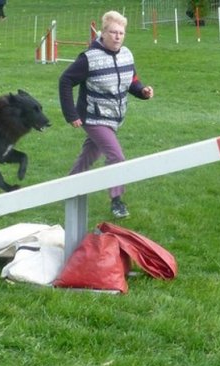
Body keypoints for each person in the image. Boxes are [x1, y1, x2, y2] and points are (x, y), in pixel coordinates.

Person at [59, 10, 154, 219]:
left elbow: (132, 81)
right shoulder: (89, 58)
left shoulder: (127, 54)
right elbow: (65, 81)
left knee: (90, 154)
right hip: (93, 116)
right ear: (103, 33)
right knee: (117, 157)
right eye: (113, 32)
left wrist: (142, 91)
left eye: (121, 32)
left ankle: (67, 187)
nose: (117, 36)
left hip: (114, 117)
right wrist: (71, 114)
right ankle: (117, 201)